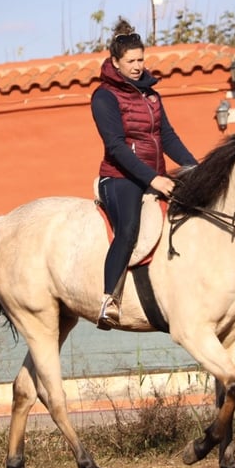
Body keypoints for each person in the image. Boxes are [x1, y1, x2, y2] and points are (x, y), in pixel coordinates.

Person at [91, 18, 198, 330]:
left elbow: (168, 138)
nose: (137, 66)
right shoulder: (104, 97)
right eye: (131, 61)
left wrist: (195, 169)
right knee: (128, 230)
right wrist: (152, 179)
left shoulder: (152, 95)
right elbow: (116, 147)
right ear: (115, 62)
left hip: (156, 175)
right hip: (120, 177)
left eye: (141, 60)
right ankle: (109, 299)